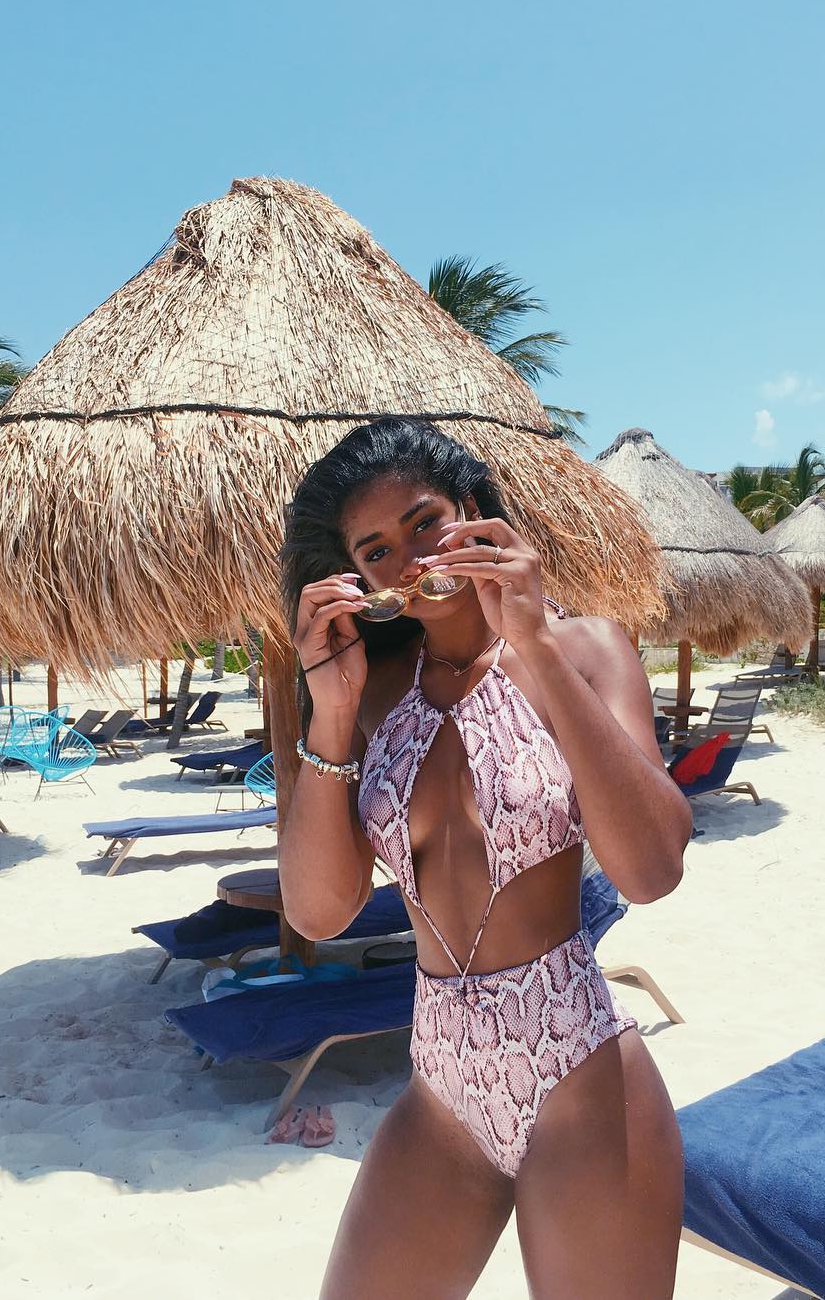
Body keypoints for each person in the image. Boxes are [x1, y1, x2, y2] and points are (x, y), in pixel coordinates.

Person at [278, 418, 691, 1300]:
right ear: (360, 576)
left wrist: (532, 644)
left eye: (425, 523)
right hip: (441, 1089)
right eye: (376, 551)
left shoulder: (584, 649)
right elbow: (319, 911)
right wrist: (331, 711)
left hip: (578, 1071)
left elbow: (652, 869)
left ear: (472, 508)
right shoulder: (369, 693)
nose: (409, 560)